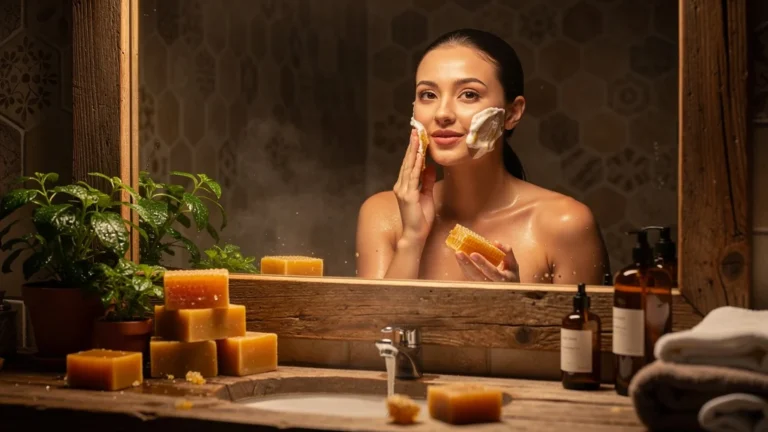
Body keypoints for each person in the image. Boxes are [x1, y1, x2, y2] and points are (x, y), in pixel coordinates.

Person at [356, 29, 610, 284]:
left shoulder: (565, 224)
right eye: (428, 95)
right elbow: (374, 324)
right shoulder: (384, 215)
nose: (442, 113)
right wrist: (411, 238)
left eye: (469, 94)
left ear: (511, 113)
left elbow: (583, 324)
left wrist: (512, 305)